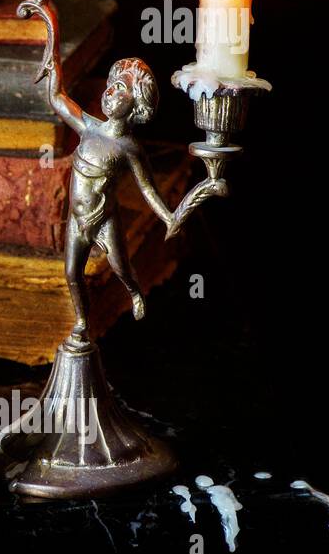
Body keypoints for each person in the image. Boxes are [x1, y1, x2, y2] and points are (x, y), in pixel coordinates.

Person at [41, 46, 226, 348]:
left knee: (120, 267)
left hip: (104, 220)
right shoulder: (88, 127)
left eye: (121, 89)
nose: (110, 91)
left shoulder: (129, 149)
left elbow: (148, 189)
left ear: (135, 105)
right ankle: (82, 322)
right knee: (72, 273)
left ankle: (134, 291)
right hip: (76, 220)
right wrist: (53, 62)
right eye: (112, 85)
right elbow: (57, 98)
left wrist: (168, 216)